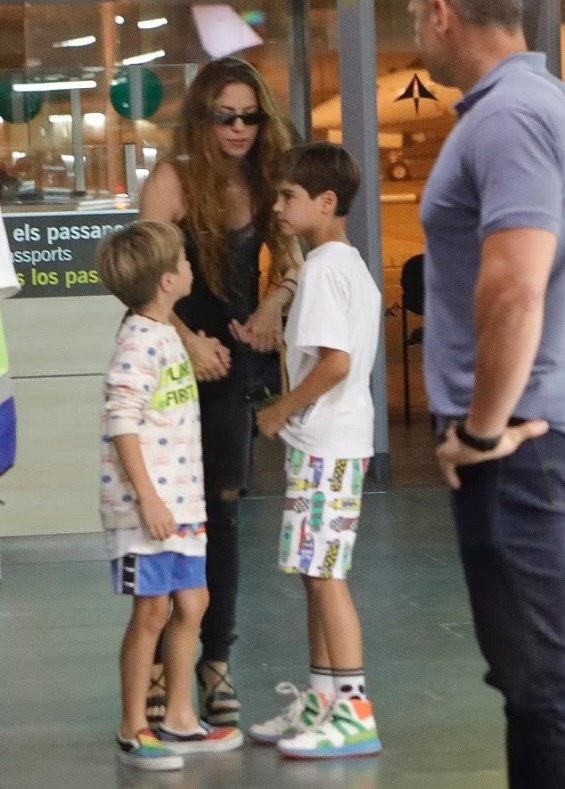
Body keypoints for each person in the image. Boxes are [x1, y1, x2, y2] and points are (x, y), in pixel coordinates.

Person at [408, 1, 565, 786]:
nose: (409, 23)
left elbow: (513, 289)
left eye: (410, 10)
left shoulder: (510, 117)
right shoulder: (530, 109)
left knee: (539, 685)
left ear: (441, 14)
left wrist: (478, 430)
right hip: (535, 432)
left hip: (520, 447)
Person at [139, 56, 301, 727]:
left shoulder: (270, 181)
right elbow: (141, 278)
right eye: (225, 115)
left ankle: (216, 660)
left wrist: (274, 303)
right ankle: (152, 664)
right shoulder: (173, 179)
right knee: (163, 516)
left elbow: (296, 258)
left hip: (231, 362)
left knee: (223, 514)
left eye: (251, 116)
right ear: (203, 115)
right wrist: (184, 337)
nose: (239, 128)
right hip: (168, 362)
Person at [248, 142, 383, 759]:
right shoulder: (344, 264)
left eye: (289, 197)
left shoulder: (327, 269)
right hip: (327, 443)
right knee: (315, 571)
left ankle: (353, 709)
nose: (277, 207)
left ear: (326, 202)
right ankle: (324, 696)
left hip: (325, 443)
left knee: (326, 575)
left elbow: (335, 364)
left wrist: (282, 407)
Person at [97, 221, 243, 771]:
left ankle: (180, 716)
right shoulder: (137, 340)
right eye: (184, 260)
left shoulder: (165, 335)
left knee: (193, 604)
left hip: (183, 505)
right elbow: (123, 422)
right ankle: (134, 725)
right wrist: (149, 500)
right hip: (145, 510)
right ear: (165, 281)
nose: (191, 267)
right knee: (152, 610)